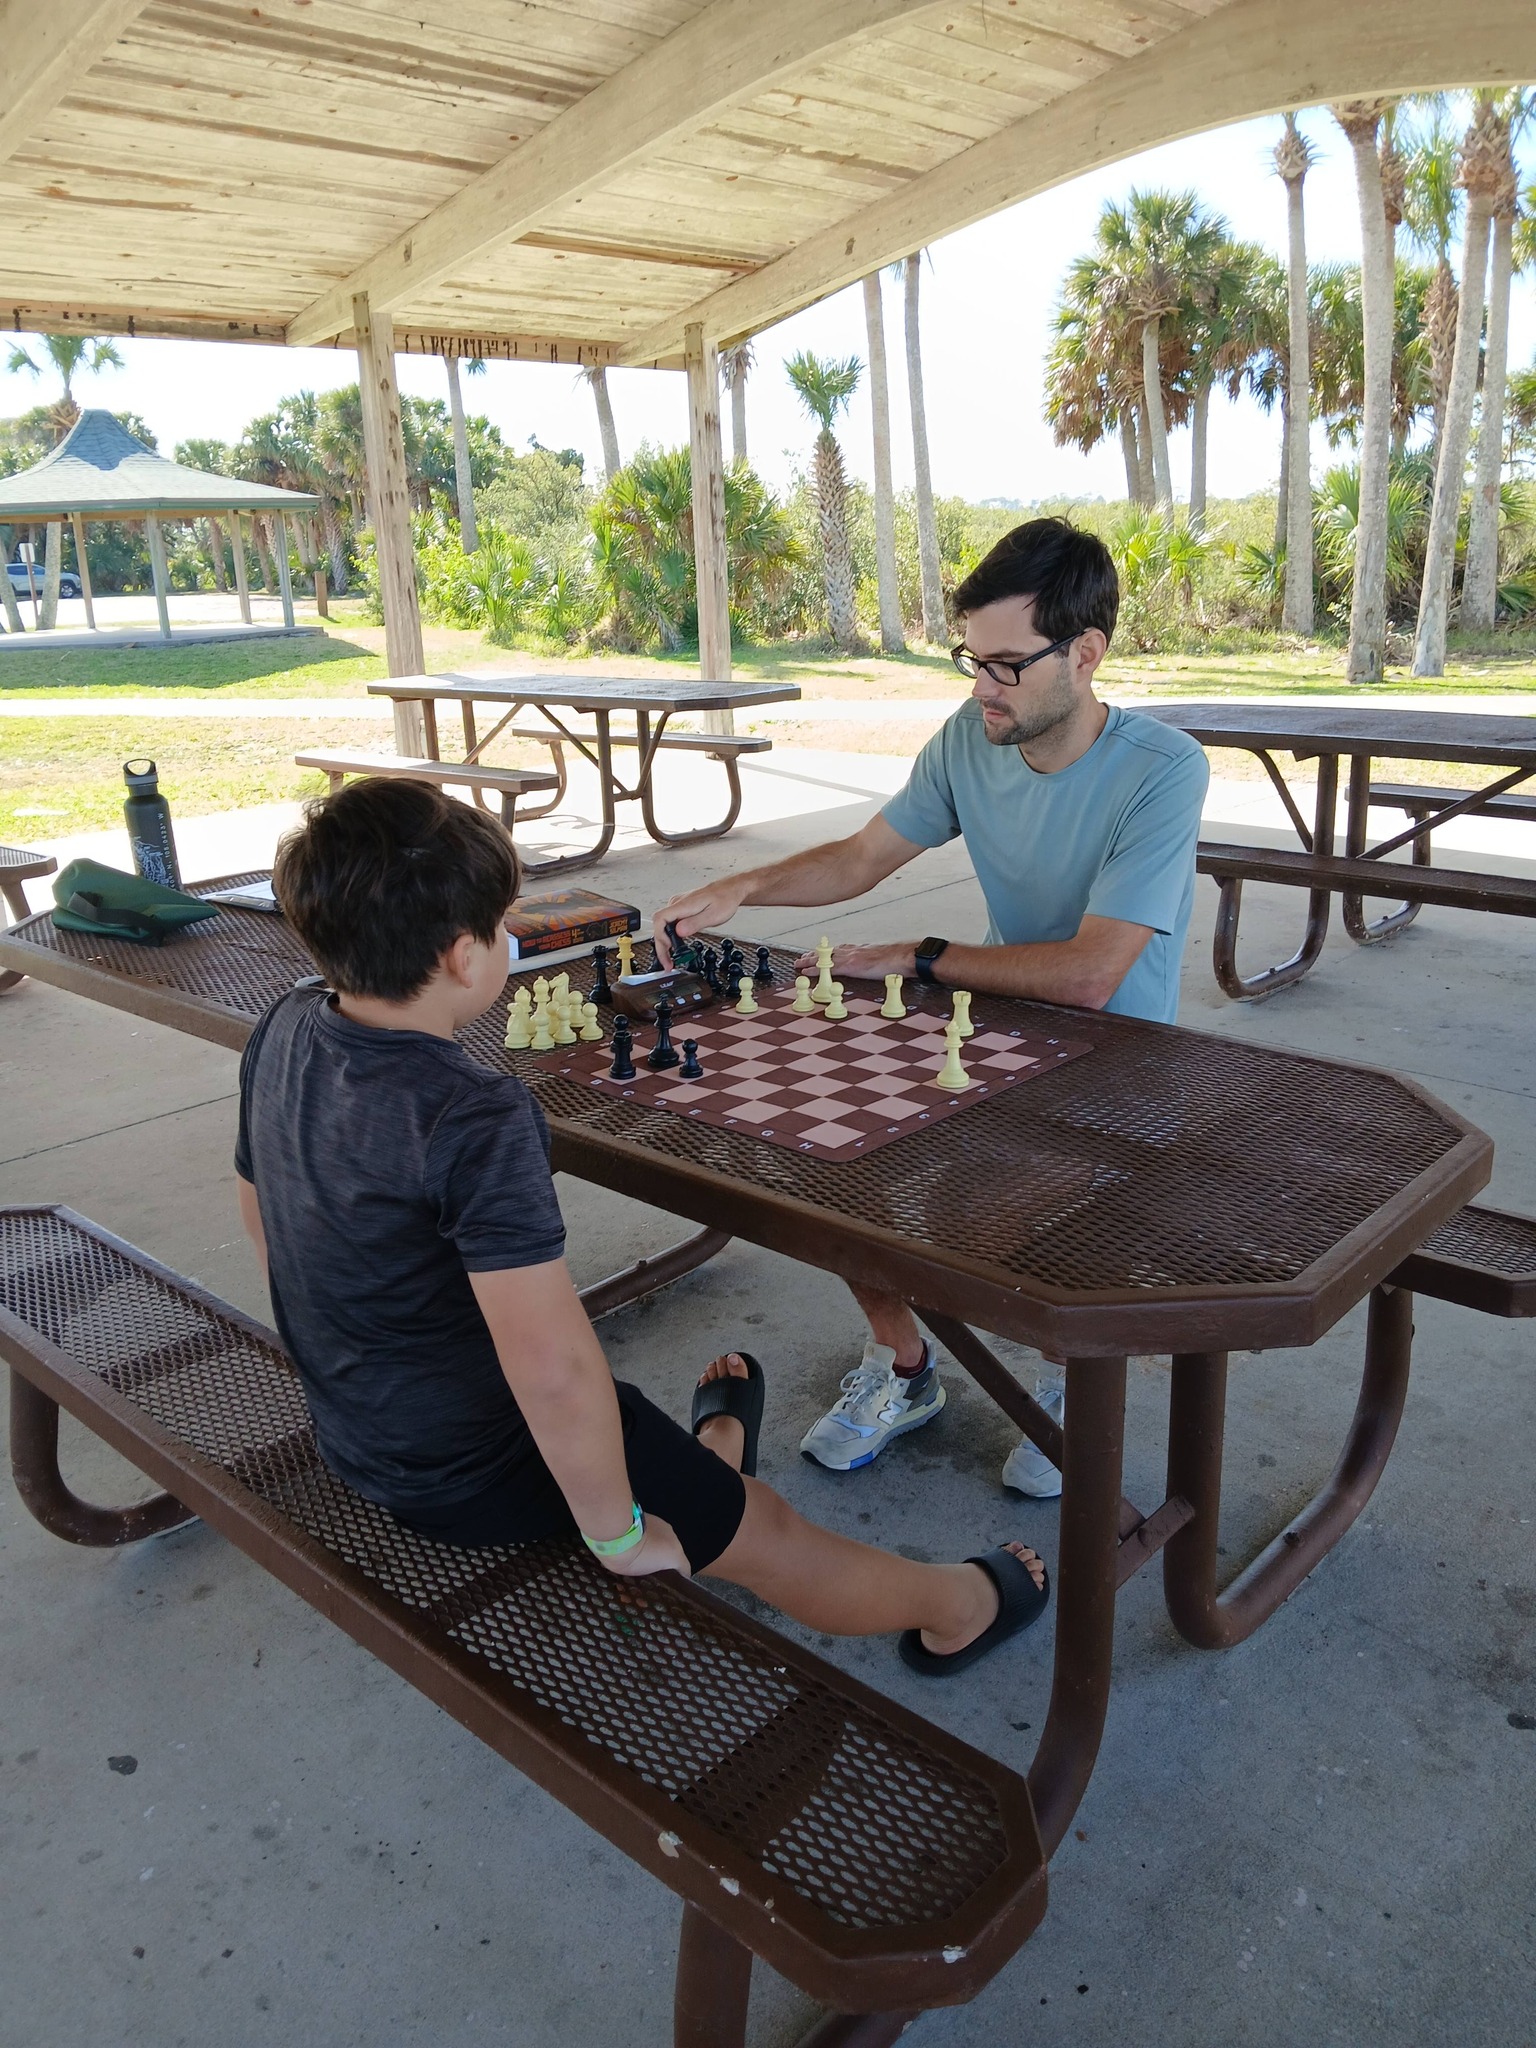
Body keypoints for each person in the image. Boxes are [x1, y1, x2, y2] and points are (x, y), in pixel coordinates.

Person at [234, 775, 1048, 1678]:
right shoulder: (473, 1114)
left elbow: (262, 1211)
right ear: (466, 958)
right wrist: (615, 1531)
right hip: (477, 1463)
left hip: (357, 1424)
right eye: (506, 923)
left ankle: (713, 1456)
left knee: (648, 1452)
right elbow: (552, 1369)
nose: (513, 938)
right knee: (766, 1533)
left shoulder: (285, 1024)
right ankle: (960, 1604)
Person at [654, 516, 1208, 1494]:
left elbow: (1093, 974)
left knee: (1010, 1226)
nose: (979, 687)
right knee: (825, 1166)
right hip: (981, 1024)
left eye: (1004, 665)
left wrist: (923, 954)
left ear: (1085, 654)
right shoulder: (968, 737)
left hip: (1121, 1060)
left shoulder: (1164, 770)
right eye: (970, 659)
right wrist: (743, 888)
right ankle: (904, 1366)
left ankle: (1069, 1378)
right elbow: (865, 856)